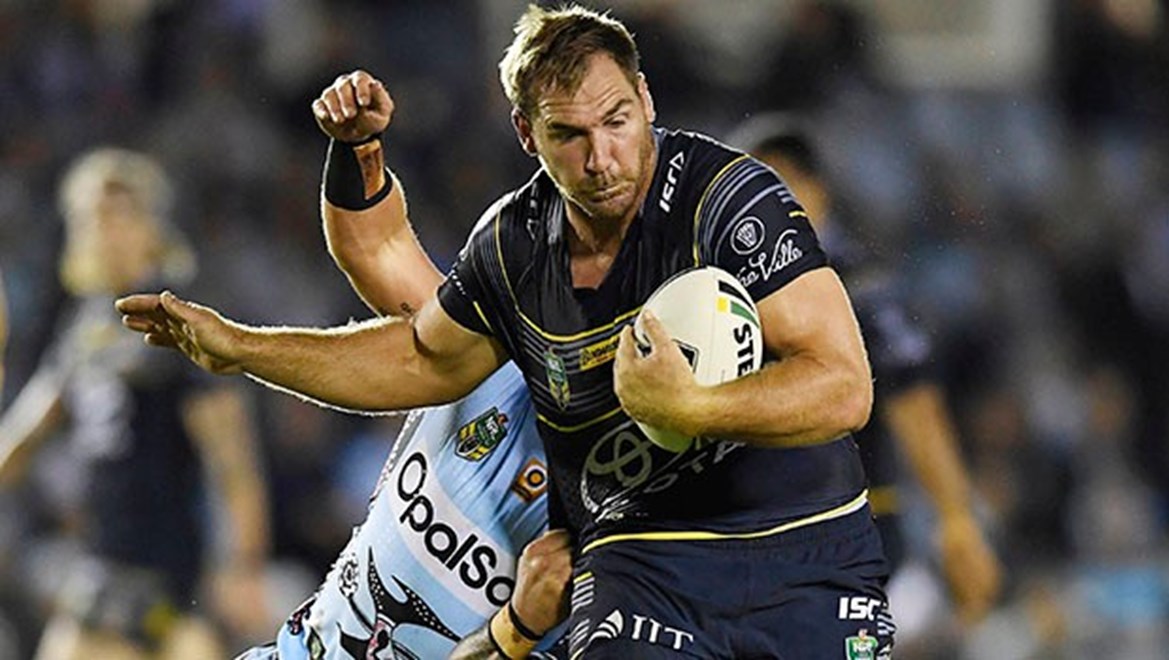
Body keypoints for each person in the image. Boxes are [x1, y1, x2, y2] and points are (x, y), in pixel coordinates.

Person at [119, 5, 894, 658]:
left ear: (646, 100)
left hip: (795, 551)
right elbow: (400, 308)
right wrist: (243, 346)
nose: (601, 159)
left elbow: (841, 387)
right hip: (631, 572)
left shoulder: (722, 203)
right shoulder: (512, 272)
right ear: (527, 135)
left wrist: (688, 408)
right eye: (569, 135)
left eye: (616, 122)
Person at [235, 71, 572, 660]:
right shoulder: (483, 355)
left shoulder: (617, 514)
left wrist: (518, 629)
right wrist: (358, 149)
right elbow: (377, 248)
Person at [730, 115, 1003, 627]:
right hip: (753, 528)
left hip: (849, 524)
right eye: (756, 186)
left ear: (818, 192)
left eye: (785, 182)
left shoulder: (861, 286)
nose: (770, 202)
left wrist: (956, 519)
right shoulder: (716, 290)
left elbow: (914, 402)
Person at [0, 148, 271, 660]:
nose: (105, 231)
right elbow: (26, 435)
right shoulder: (85, 326)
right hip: (104, 566)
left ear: (152, 227)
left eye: (119, 215)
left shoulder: (176, 320)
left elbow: (232, 458)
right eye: (91, 217)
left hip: (172, 578)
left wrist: (244, 566)